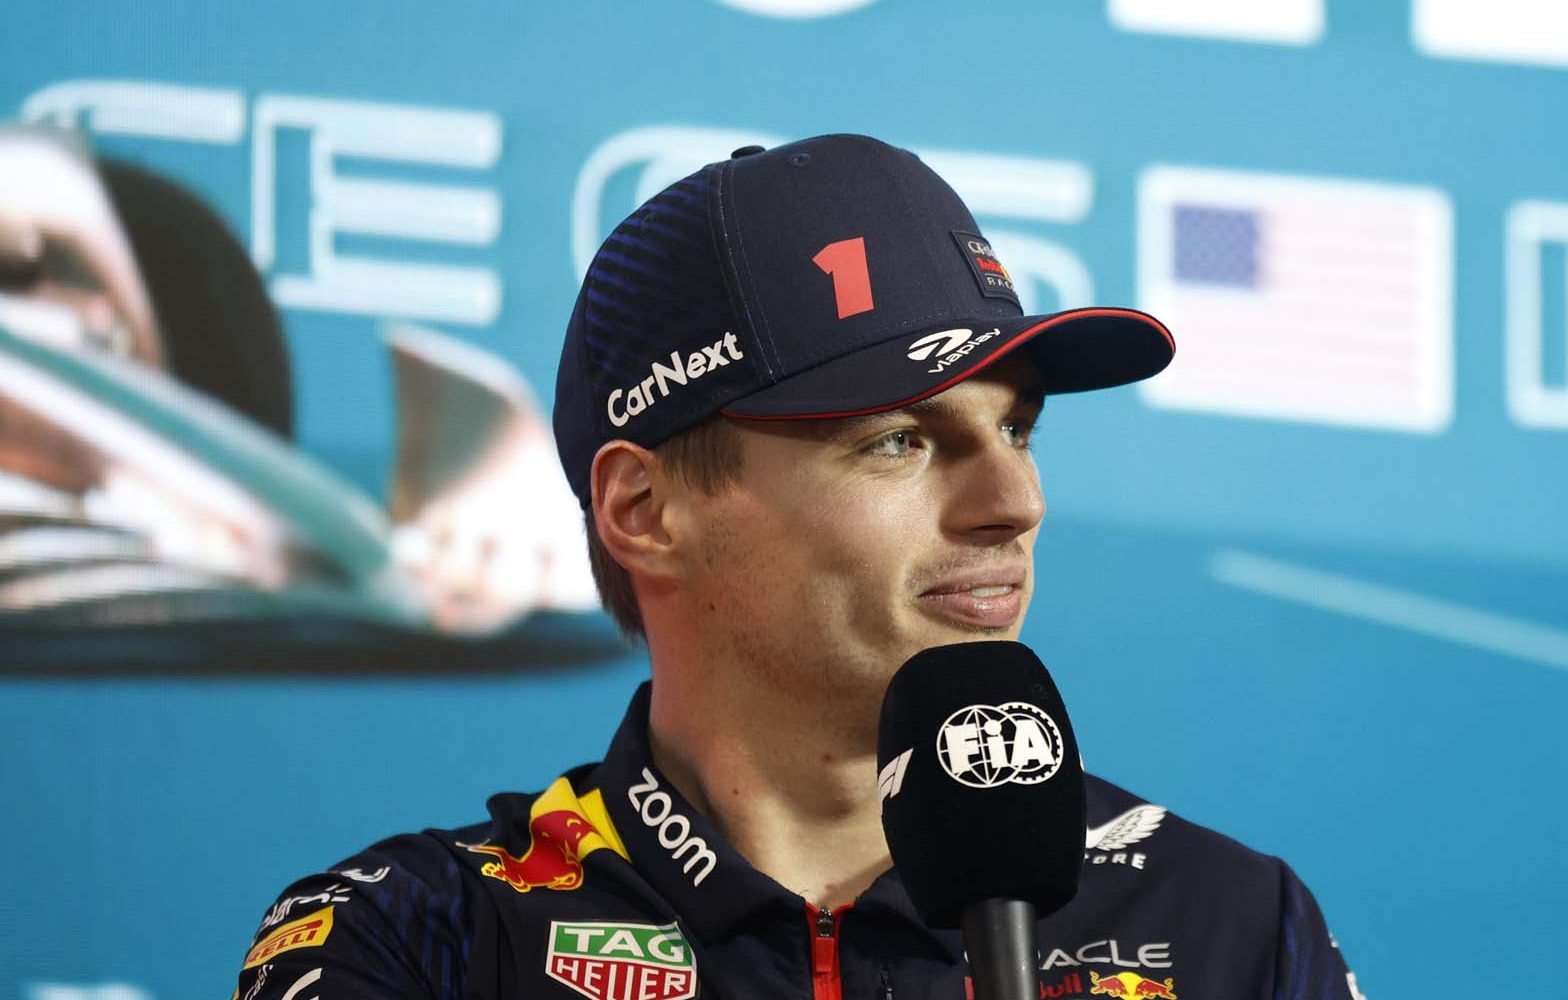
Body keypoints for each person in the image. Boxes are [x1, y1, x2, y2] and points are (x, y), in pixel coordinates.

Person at [232, 134, 1362, 1000]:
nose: (1014, 503)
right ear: (645, 508)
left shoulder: (1228, 926)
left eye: (1016, 429)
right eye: (900, 441)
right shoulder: (419, 937)